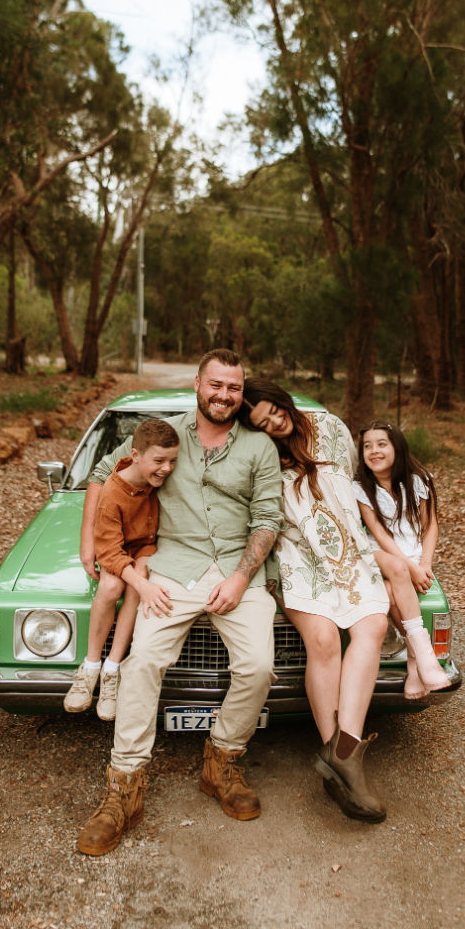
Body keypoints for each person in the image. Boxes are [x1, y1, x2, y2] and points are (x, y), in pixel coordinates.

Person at [76, 350, 284, 857]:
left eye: (233, 388)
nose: (224, 396)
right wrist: (90, 541)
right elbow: (105, 472)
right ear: (197, 383)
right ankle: (124, 789)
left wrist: (239, 578)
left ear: (241, 392)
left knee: (258, 666)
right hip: (173, 567)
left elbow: (268, 518)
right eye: (215, 385)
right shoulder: (163, 435)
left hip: (239, 572)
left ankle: (221, 762)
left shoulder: (259, 447)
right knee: (142, 660)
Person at [241, 378, 390, 823]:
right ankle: (343, 760)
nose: (273, 422)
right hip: (296, 558)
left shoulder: (328, 426)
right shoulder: (263, 454)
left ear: (280, 399)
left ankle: (342, 751)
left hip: (349, 550)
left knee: (373, 626)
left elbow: (357, 481)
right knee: (323, 640)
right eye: (261, 422)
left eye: (272, 410)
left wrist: (391, 541)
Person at [63, 418, 180, 721]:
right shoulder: (112, 494)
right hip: (116, 548)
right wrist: (143, 587)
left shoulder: (155, 480)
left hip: (145, 547)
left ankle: (112, 669)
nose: (167, 468)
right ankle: (90, 667)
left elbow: (150, 538)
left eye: (172, 461)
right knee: (111, 586)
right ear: (135, 455)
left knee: (137, 577)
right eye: (159, 461)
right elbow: (110, 551)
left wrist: (139, 581)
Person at [354, 422, 453, 698]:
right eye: (367, 446)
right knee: (396, 569)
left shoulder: (419, 480)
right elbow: (379, 533)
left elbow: (431, 525)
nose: (373, 451)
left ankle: (414, 663)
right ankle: (426, 658)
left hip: (411, 555)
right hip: (377, 554)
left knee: (389, 592)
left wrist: (425, 565)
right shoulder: (361, 487)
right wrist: (409, 567)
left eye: (381, 444)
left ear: (396, 446)